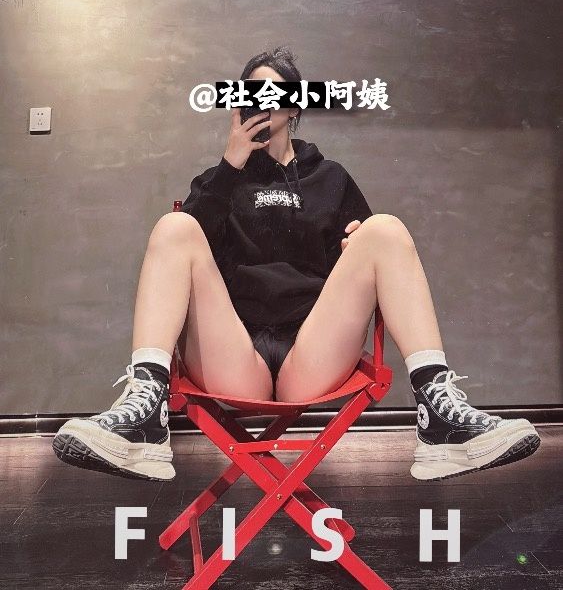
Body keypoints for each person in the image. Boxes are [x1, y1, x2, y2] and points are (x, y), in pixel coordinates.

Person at [53, 45, 540, 482]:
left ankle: (441, 420)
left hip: (310, 352)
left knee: (385, 230)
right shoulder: (219, 179)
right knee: (174, 227)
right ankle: (144, 420)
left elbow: (364, 260)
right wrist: (230, 167)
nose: (261, 101)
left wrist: (357, 246)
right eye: (250, 93)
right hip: (233, 352)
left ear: (295, 106)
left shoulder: (331, 178)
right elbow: (186, 250)